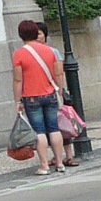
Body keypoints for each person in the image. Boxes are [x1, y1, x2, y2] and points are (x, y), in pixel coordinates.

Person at [11, 19, 67, 175]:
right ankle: (60, 163)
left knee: (39, 131)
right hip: (50, 93)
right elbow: (58, 73)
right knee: (54, 128)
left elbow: (18, 80)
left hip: (31, 96)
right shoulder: (50, 51)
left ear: (21, 34)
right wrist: (59, 91)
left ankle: (44, 165)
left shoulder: (19, 54)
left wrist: (17, 100)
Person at [36, 22, 77, 167]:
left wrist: (60, 90)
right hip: (44, 91)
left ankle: (69, 156)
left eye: (40, 33)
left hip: (53, 90)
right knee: (52, 126)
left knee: (62, 123)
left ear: (45, 35)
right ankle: (57, 156)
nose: (37, 37)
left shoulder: (53, 51)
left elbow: (59, 72)